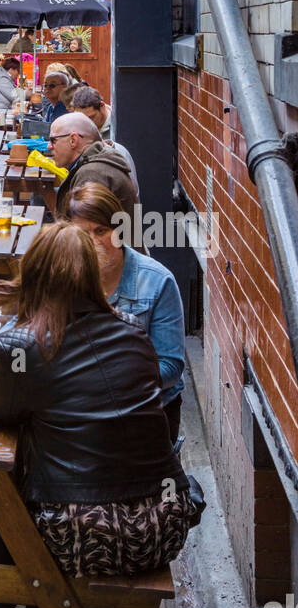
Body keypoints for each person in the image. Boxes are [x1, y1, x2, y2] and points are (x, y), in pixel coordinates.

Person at [0, 225, 193, 608]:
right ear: (92, 276)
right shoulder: (134, 330)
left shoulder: (23, 346)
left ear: (36, 275)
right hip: (161, 526)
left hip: (83, 534)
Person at [65, 182, 185, 440]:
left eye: (101, 230)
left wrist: (106, 384)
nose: (94, 242)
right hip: (81, 411)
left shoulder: (157, 281)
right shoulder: (64, 277)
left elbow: (171, 367)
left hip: (146, 412)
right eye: (84, 234)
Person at [48, 112, 137, 221]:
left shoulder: (92, 175)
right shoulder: (95, 163)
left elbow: (84, 234)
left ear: (73, 140)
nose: (49, 146)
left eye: (53, 140)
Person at [69, 85, 140, 198]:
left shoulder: (120, 126)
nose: (87, 123)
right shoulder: (81, 126)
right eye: (82, 119)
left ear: (102, 106)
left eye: (91, 117)